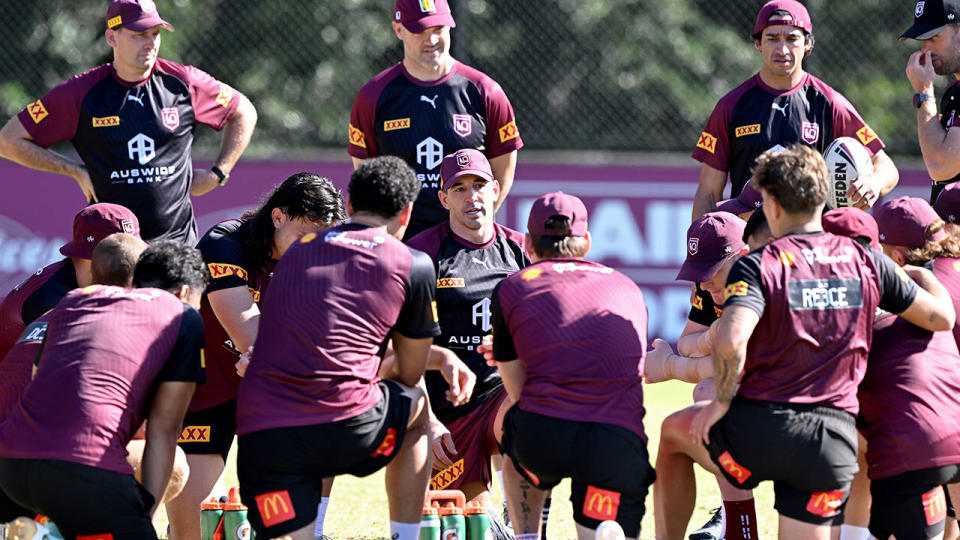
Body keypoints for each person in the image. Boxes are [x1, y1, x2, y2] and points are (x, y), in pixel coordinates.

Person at [656, 144, 955, 539]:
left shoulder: (759, 262)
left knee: (674, 436)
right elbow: (941, 317)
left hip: (766, 432)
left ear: (774, 207)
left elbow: (731, 340)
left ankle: (735, 530)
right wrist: (917, 274)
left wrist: (722, 404)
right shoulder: (865, 260)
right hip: (835, 440)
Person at [235, 156, 440, 540]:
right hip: (347, 431)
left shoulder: (298, 250)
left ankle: (311, 531)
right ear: (407, 212)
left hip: (263, 437)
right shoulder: (412, 262)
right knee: (415, 405)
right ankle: (406, 536)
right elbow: (410, 373)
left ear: (347, 204)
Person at [165, 173, 346, 540]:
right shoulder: (223, 243)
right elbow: (248, 333)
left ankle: (313, 530)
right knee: (199, 531)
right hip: (208, 385)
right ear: (278, 217)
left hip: (268, 387)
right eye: (303, 235)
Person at [0, 0, 257, 244]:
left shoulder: (184, 82)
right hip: (109, 252)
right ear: (112, 37)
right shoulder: (80, 93)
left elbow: (243, 111)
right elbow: (8, 141)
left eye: (155, 34)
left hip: (176, 249)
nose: (150, 43)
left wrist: (218, 173)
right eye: (138, 35)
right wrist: (73, 170)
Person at [0, 240, 208, 539]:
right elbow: (164, 430)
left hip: (11, 466)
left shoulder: (73, 299)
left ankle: (48, 530)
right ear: (185, 293)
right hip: (78, 466)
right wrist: (140, 521)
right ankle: (48, 536)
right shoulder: (182, 316)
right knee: (175, 463)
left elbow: (37, 376)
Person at [481, 191, 653, 540]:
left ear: (528, 244)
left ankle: (527, 536)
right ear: (586, 241)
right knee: (599, 516)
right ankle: (600, 529)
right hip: (616, 442)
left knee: (515, 443)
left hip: (544, 437)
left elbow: (517, 393)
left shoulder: (513, 287)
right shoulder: (627, 286)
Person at [406, 149, 527, 537]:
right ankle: (495, 516)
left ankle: (526, 521)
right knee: (473, 528)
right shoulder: (422, 254)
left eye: (478, 185)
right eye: (458, 188)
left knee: (533, 414)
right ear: (443, 199)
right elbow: (404, 346)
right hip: (446, 415)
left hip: (499, 398)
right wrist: (427, 419)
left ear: (495, 189)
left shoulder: (522, 250)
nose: (470, 197)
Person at [691, 0, 898, 219]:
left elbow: (886, 166)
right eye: (772, 38)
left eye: (792, 39)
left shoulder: (830, 103)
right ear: (758, 43)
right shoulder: (731, 105)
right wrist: (701, 250)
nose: (782, 49)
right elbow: (708, 192)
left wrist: (873, 182)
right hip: (749, 244)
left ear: (808, 44)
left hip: (810, 244)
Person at [349, 0, 523, 240]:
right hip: (400, 245)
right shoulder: (373, 96)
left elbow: (502, 174)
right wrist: (389, 238)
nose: (431, 40)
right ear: (398, 29)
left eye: (438, 29)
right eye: (419, 31)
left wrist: (472, 230)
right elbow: (366, 177)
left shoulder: (485, 91)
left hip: (463, 247)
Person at [0, 202, 141, 361]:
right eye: (117, 259)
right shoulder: (48, 301)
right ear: (83, 257)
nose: (127, 267)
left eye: (133, 257)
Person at [903, 0, 960, 202]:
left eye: (934, 37)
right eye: (922, 39)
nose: (925, 49)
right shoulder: (954, 90)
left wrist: (924, 91)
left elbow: (940, 167)